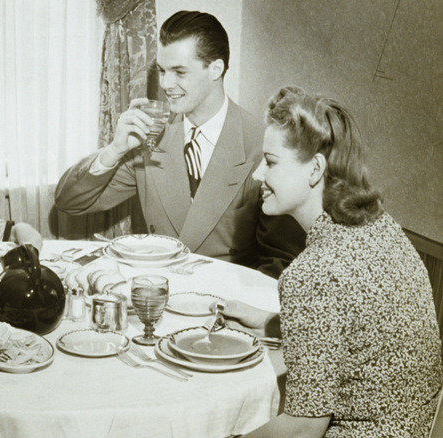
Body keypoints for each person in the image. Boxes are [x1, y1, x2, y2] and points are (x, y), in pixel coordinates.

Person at [218, 86, 442, 437]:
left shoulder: (313, 274)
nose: (258, 175)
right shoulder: (382, 228)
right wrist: (269, 322)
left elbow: (304, 427)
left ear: (315, 169)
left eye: (271, 162)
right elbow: (357, 334)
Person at [55, 10, 305, 279]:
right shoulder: (151, 137)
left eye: (179, 72)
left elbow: (283, 261)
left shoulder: (262, 143)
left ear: (216, 69)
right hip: (154, 294)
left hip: (224, 303)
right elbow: (70, 202)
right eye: (162, 71)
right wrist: (115, 149)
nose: (165, 84)